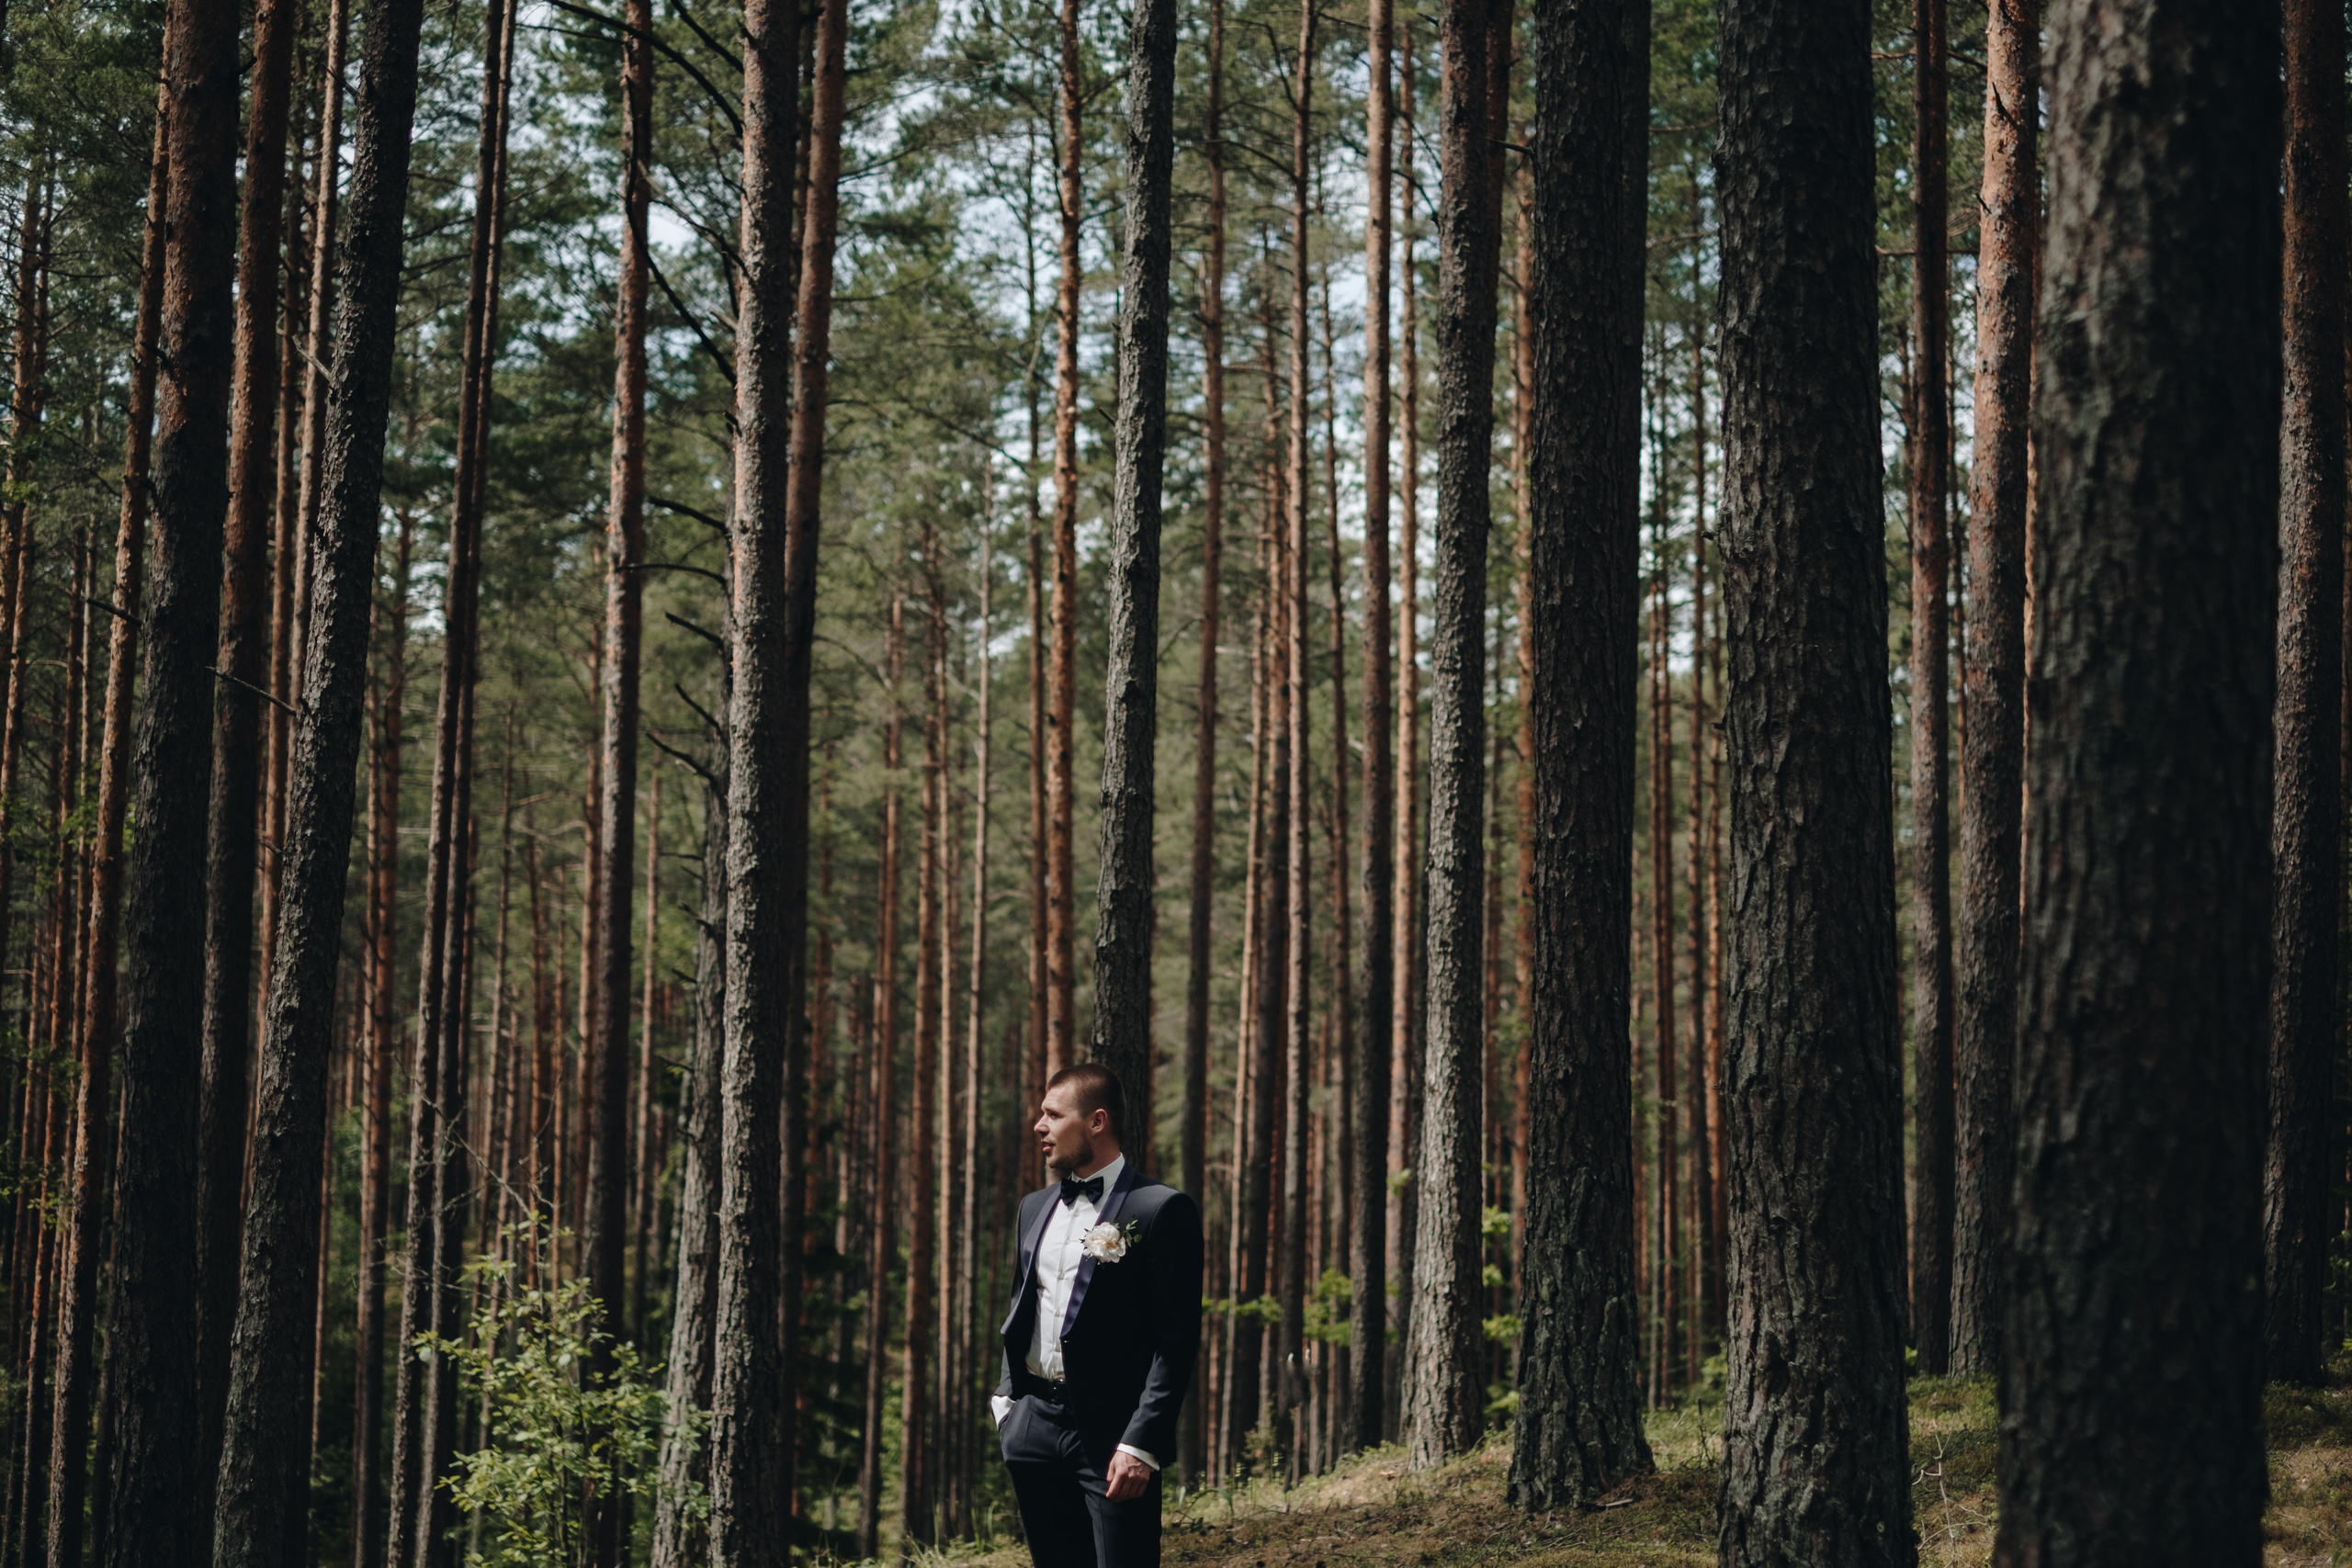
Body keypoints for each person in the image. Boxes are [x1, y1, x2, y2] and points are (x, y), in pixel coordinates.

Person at [994, 1063, 1203, 1568]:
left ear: (1096, 1121)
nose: (1039, 1126)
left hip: (1114, 1442)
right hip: (1032, 1428)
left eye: (1053, 1115)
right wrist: (1007, 1403)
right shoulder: (1033, 1207)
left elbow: (1176, 1341)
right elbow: (1024, 1306)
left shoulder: (1159, 1209)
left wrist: (1141, 1443)